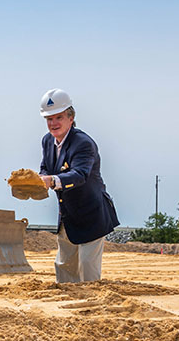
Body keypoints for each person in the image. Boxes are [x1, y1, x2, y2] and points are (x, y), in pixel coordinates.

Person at [38, 88, 119, 283]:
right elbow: (45, 167)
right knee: (64, 265)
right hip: (68, 215)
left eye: (58, 117)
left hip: (91, 214)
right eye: (49, 119)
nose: (53, 123)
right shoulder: (48, 141)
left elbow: (80, 174)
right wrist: (38, 179)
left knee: (87, 267)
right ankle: (67, 304)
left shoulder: (83, 143)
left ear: (71, 117)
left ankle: (89, 307)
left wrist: (52, 181)